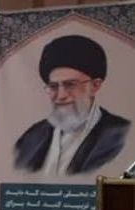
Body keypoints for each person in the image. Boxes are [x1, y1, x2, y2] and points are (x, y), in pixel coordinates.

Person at [13, 34, 130, 175]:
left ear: (94, 86)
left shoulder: (121, 135)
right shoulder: (32, 137)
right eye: (53, 86)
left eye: (70, 84)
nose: (61, 95)